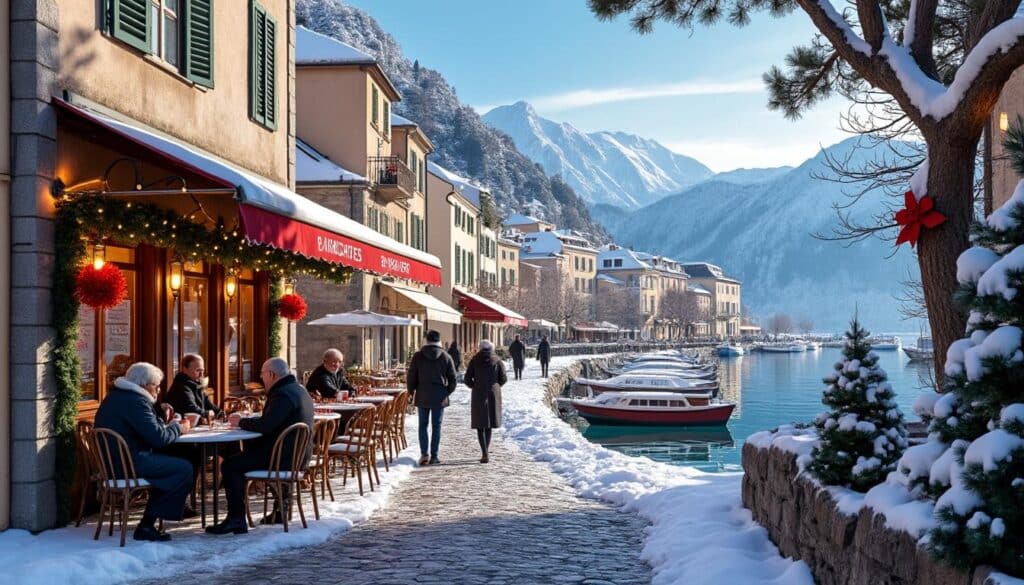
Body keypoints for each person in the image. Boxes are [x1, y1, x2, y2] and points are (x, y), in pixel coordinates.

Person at [206, 358, 314, 535]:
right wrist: (248, 422)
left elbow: (266, 425)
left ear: (272, 375)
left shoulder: (282, 394)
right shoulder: (298, 389)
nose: (262, 378)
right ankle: (282, 511)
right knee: (240, 457)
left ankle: (236, 519)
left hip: (281, 458)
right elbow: (274, 422)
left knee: (230, 466)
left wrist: (241, 422)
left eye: (263, 374)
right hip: (297, 456)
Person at [94, 362, 193, 542]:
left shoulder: (117, 396)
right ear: (144, 385)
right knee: (183, 468)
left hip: (115, 461)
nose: (158, 390)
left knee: (174, 464)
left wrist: (163, 419)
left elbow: (146, 430)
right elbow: (159, 438)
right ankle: (147, 525)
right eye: (156, 385)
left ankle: (152, 520)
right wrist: (179, 428)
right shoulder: (136, 401)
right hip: (127, 464)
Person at [163, 354, 221, 518]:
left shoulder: (196, 385)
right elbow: (192, 408)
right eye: (197, 370)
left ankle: (219, 487)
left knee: (227, 448)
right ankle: (180, 501)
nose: (201, 374)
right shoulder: (182, 386)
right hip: (177, 441)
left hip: (191, 436)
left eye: (202, 370)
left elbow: (211, 407)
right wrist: (208, 413)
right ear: (185, 369)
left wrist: (221, 413)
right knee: (193, 458)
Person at [406, 330, 457, 466]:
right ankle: (434, 455)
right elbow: (453, 379)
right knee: (436, 426)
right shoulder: (446, 356)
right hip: (439, 396)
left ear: (427, 340)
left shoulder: (418, 356)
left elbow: (411, 376)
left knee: (422, 425)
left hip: (422, 394)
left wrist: (411, 391)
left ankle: (424, 454)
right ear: (439, 340)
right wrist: (446, 392)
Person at [464, 340, 508, 463]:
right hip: (493, 393)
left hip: (479, 392)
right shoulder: (497, 360)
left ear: (480, 348)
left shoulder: (474, 360)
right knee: (489, 424)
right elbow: (503, 378)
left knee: (480, 424)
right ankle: (486, 452)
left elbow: (467, 378)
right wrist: (496, 385)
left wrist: (474, 385)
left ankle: (484, 452)